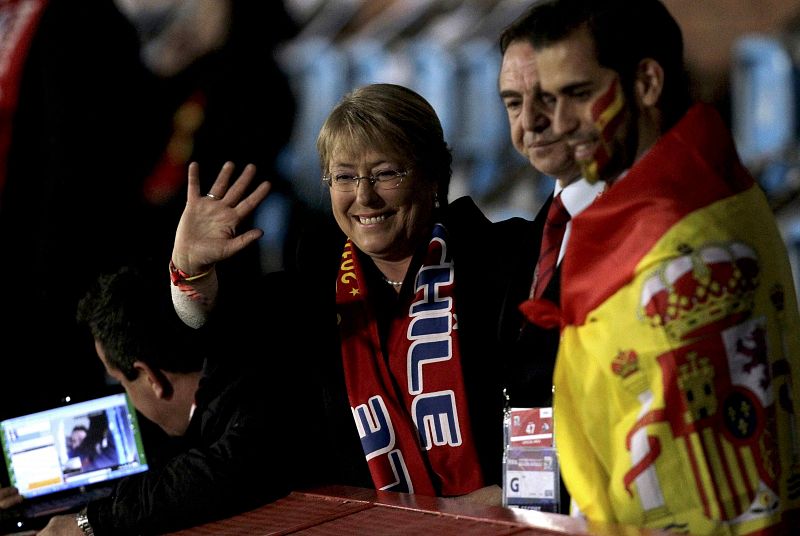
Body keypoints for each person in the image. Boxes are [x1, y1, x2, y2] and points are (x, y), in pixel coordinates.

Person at [169, 83, 546, 504]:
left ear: (435, 173)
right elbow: (225, 331)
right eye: (344, 176)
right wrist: (192, 271)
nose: (364, 197)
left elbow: (551, 403)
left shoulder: (508, 260)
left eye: (386, 173)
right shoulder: (317, 283)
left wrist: (497, 503)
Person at [521, 0, 800, 533]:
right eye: (548, 100)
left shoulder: (683, 235)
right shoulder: (688, 198)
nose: (557, 124)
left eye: (578, 95)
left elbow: (715, 492)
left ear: (646, 82)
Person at [0, 264, 295, 535]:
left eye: (122, 383)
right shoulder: (255, 346)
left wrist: (87, 524)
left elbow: (222, 468)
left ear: (150, 377)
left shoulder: (250, 409)